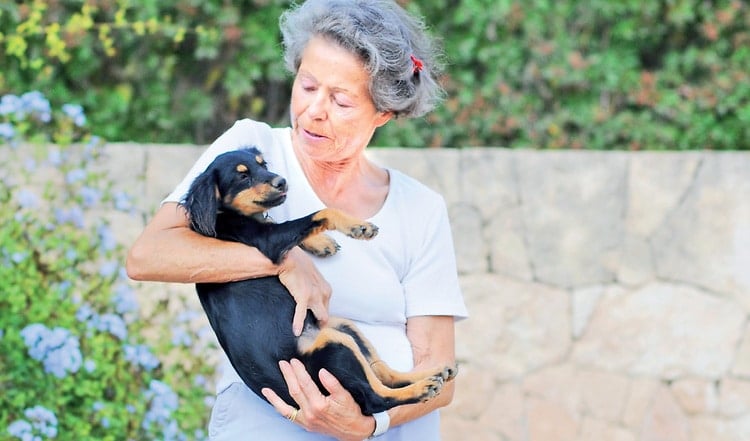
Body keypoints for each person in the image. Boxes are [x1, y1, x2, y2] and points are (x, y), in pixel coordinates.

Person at [126, 0, 468, 439]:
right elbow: (150, 255)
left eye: (340, 100)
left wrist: (368, 423)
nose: (314, 111)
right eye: (307, 86)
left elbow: (440, 374)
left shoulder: (420, 208)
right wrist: (283, 257)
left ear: (382, 112)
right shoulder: (251, 150)